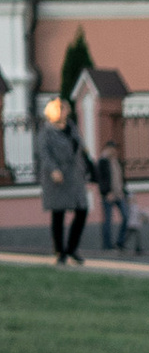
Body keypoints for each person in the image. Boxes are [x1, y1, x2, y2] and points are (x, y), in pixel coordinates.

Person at [36, 99, 88, 263]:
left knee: (82, 210)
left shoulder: (71, 127)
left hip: (74, 176)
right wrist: (53, 170)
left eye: (65, 108)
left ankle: (72, 248)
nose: (65, 111)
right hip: (57, 178)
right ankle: (60, 251)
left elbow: (79, 146)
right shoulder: (47, 131)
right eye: (61, 108)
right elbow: (44, 153)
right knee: (58, 213)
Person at [92, 139, 131, 253]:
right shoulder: (102, 161)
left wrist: (125, 192)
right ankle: (107, 245)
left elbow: (120, 178)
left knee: (126, 217)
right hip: (108, 195)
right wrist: (106, 192)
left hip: (119, 194)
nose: (114, 151)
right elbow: (101, 179)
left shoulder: (116, 161)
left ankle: (120, 242)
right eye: (112, 148)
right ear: (108, 149)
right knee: (108, 220)